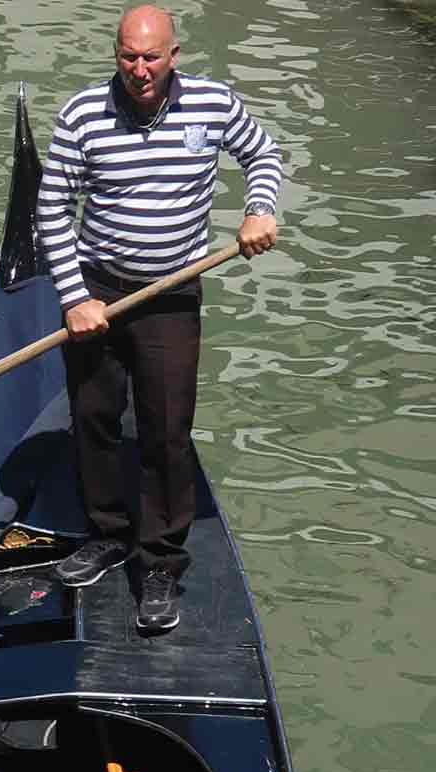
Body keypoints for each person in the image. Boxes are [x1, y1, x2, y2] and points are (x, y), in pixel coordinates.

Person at [37, 7, 282, 633]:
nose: (139, 70)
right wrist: (73, 296)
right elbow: (51, 208)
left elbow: (264, 155)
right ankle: (107, 533)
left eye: (151, 57)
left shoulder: (212, 103)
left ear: (174, 54)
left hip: (171, 296)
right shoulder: (82, 114)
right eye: (127, 57)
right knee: (92, 418)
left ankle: (159, 563)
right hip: (98, 290)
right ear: (114, 54)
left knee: (165, 431)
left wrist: (257, 211)